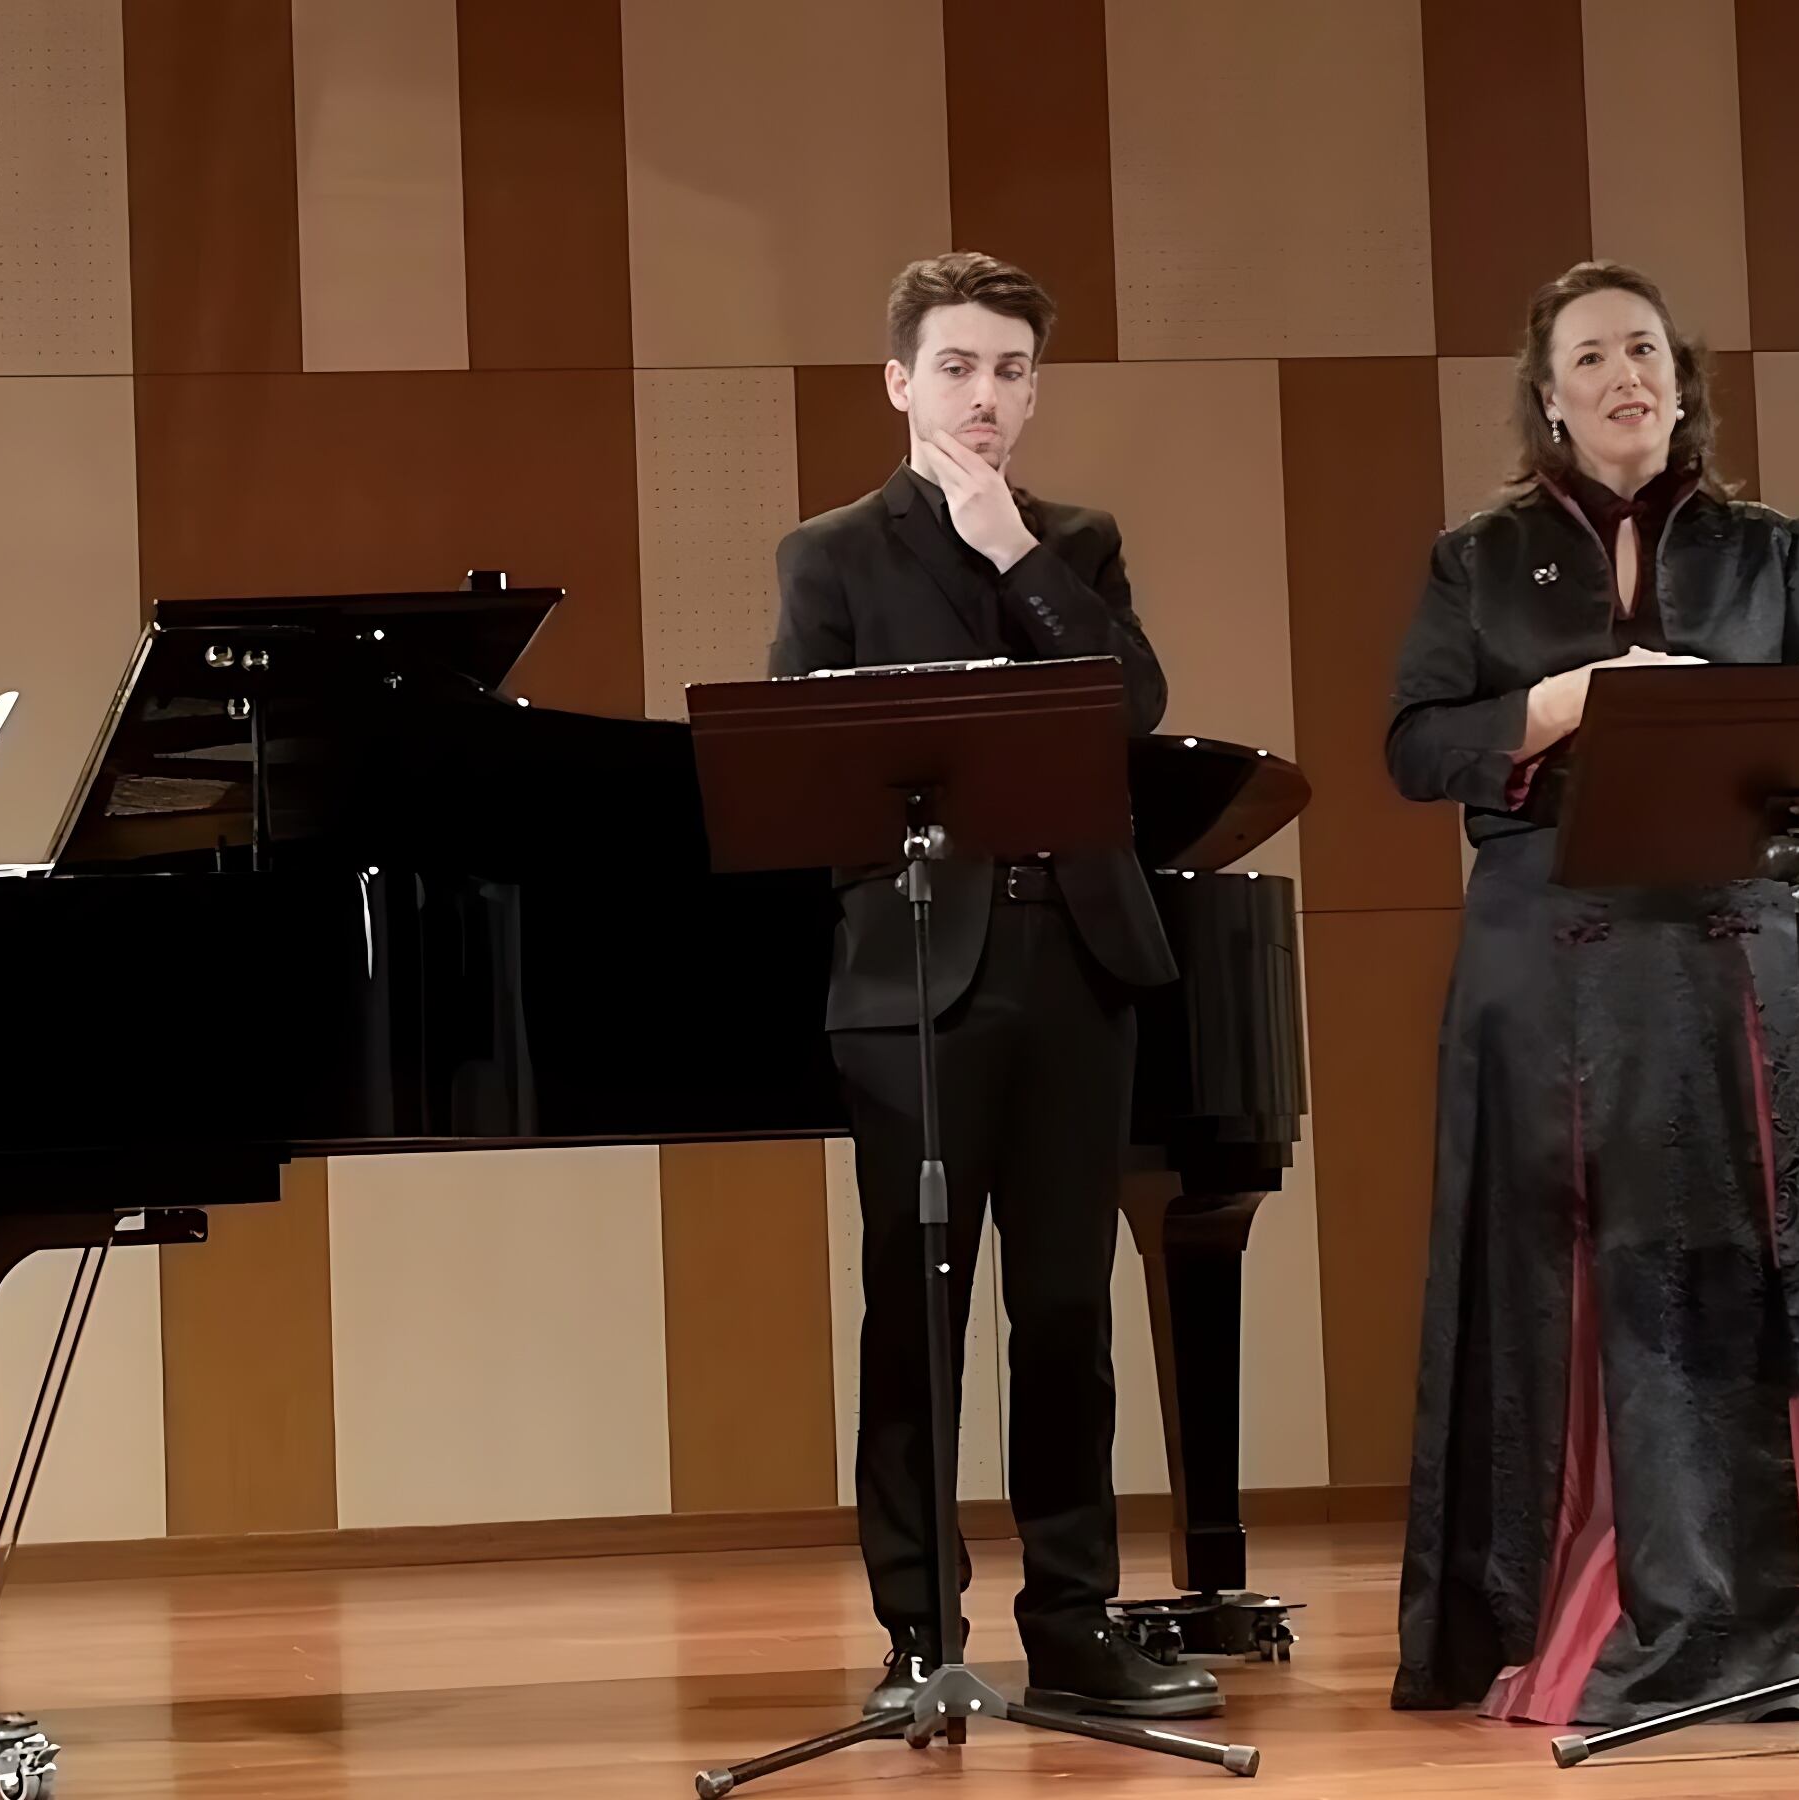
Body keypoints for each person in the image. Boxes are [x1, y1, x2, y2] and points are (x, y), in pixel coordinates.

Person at [1384, 262, 1799, 1726]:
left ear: (1678, 379)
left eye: (1644, 348)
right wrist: (1551, 711)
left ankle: (1781, 1614)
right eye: (1590, 355)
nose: (1623, 372)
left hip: (1729, 945)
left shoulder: (1769, 546)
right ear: (1549, 398)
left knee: (1746, 1262)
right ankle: (1548, 1611)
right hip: (1543, 952)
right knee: (1568, 1273)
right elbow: (1414, 744)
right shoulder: (1476, 559)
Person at [768, 252, 1213, 1721]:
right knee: (916, 1308)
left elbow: (1131, 708)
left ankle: (1074, 1624)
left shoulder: (1074, 540)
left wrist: (1015, 553)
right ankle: (917, 1633)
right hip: (917, 975)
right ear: (900, 379)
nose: (985, 396)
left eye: (1011, 372)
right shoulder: (831, 555)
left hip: (1074, 957)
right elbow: (805, 781)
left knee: (1067, 1311)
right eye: (957, 367)